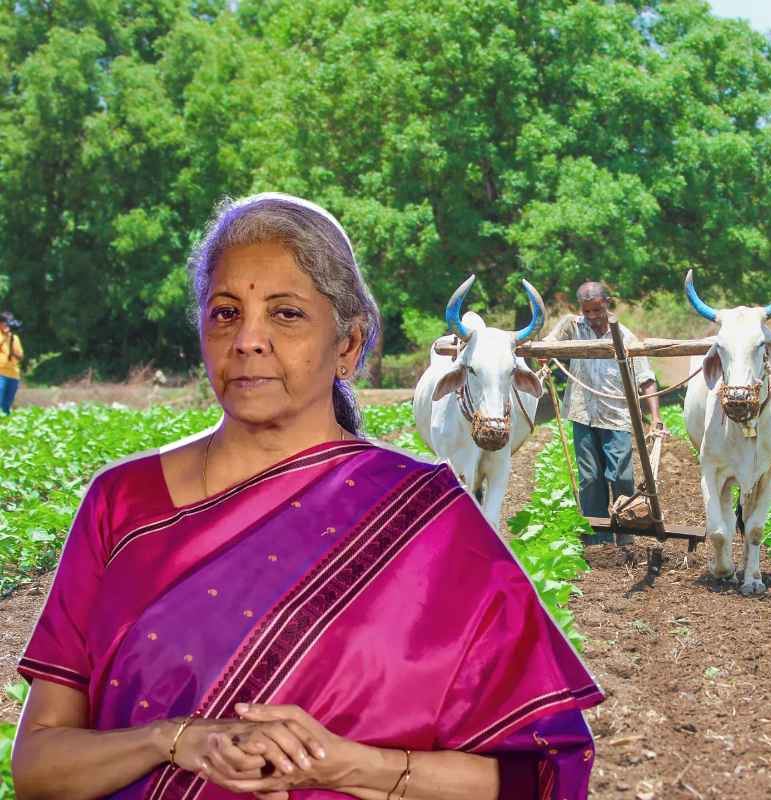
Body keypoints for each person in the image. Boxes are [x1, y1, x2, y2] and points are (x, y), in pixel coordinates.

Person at [12, 193, 603, 800]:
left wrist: (344, 764)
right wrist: (170, 739)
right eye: (224, 313)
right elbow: (36, 766)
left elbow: (537, 778)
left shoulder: (426, 520)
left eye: (286, 314)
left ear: (348, 345)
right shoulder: (122, 504)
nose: (248, 340)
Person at [545, 282, 662, 544]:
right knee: (589, 478)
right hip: (582, 413)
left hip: (616, 415)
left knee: (621, 476)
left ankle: (626, 533)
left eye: (597, 309)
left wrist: (655, 418)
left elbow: (646, 379)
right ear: (581, 310)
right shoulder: (572, 327)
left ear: (607, 303)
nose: (593, 316)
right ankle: (597, 539)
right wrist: (542, 353)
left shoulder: (625, 337)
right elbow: (547, 346)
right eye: (587, 311)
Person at [0, 311, 24, 415]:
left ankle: (4, 427)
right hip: (0, 373)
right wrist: (4, 337)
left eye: (8, 323)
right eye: (4, 322)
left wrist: (11, 339)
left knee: (6, 405)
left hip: (13, 375)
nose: (6, 325)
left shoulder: (14, 338)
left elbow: (20, 356)